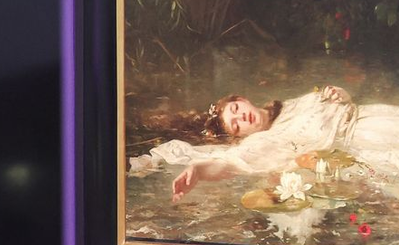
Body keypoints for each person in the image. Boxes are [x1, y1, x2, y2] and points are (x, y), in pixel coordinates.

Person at [129, 85, 399, 202]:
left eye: (236, 108)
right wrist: (199, 171)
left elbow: (341, 101)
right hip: (369, 143)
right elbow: (231, 163)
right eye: (236, 124)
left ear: (242, 98)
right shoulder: (263, 143)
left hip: (376, 116)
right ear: (239, 136)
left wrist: (340, 93)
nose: (241, 116)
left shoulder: (288, 105)